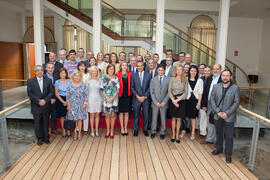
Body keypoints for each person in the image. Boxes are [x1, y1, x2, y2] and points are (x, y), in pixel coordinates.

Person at [210, 69, 240, 163]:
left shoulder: (235, 88)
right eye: (223, 75)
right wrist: (218, 112)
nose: (225, 77)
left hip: (229, 117)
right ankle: (219, 149)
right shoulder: (216, 87)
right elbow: (212, 100)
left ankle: (228, 154)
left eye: (227, 75)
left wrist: (226, 113)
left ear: (230, 77)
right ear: (221, 76)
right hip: (218, 116)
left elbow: (236, 102)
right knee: (218, 134)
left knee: (229, 137)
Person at [27, 65, 53, 146]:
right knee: (37, 124)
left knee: (45, 123)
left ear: (43, 71)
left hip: (46, 105)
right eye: (37, 70)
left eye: (41, 70)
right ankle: (39, 139)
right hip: (36, 106)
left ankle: (46, 138)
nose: (40, 71)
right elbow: (29, 93)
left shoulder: (48, 80)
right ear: (35, 72)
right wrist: (38, 101)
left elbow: (51, 92)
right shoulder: (30, 81)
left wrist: (45, 100)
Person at [201, 64, 222, 144]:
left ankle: (217, 141)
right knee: (209, 121)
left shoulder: (222, 79)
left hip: (218, 104)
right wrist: (205, 105)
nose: (215, 70)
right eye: (214, 69)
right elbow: (206, 92)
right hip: (209, 103)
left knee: (217, 122)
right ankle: (209, 138)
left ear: (220, 69)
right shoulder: (210, 78)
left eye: (217, 69)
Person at [131, 61, 152, 137]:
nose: (140, 67)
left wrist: (144, 96)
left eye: (141, 66)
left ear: (143, 66)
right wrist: (137, 96)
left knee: (146, 115)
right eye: (138, 66)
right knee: (136, 116)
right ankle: (136, 130)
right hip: (136, 99)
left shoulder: (148, 75)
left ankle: (145, 129)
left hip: (146, 99)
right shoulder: (133, 75)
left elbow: (150, 87)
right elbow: (132, 87)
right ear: (136, 67)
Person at [168, 65, 188, 143]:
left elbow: (186, 92)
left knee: (179, 119)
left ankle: (177, 135)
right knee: (173, 118)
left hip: (181, 101)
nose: (179, 71)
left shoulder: (185, 80)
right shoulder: (172, 79)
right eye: (177, 69)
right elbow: (169, 91)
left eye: (180, 69)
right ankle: (173, 135)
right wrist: (173, 100)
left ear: (182, 71)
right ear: (175, 71)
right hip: (173, 99)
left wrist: (178, 100)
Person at [66, 71, 88, 140]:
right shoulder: (69, 84)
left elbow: (86, 95)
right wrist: (68, 105)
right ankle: (75, 133)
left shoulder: (83, 84)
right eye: (75, 76)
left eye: (78, 76)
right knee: (74, 120)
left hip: (81, 104)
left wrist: (85, 103)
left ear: (81, 77)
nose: (77, 77)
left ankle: (80, 133)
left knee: (79, 120)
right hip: (72, 105)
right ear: (73, 77)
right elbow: (67, 96)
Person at [150, 65, 170, 139]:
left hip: (164, 103)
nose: (160, 71)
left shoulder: (168, 79)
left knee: (163, 118)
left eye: (162, 70)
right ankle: (153, 131)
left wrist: (165, 101)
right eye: (159, 70)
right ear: (157, 71)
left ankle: (163, 132)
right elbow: (151, 92)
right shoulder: (153, 80)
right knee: (154, 118)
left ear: (164, 70)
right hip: (155, 103)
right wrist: (156, 102)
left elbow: (169, 92)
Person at [101, 64, 120, 139]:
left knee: (113, 115)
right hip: (105, 99)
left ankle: (112, 131)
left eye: (112, 69)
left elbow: (118, 90)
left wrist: (112, 98)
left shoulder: (116, 78)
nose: (111, 70)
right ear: (107, 70)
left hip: (114, 99)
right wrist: (107, 98)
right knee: (107, 115)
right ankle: (107, 130)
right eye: (110, 69)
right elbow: (101, 89)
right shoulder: (103, 78)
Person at [186, 65, 203, 140]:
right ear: (189, 71)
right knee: (186, 117)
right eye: (192, 71)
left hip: (195, 101)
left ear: (197, 72)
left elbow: (200, 93)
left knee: (193, 118)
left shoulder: (200, 80)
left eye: (195, 71)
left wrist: (199, 103)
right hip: (187, 100)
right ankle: (184, 130)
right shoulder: (186, 79)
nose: (193, 72)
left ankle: (193, 132)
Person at [115, 62, 132, 136]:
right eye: (123, 65)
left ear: (127, 67)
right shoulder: (117, 75)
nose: (124, 66)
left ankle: (126, 127)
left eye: (125, 65)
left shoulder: (130, 74)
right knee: (121, 112)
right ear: (120, 66)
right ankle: (122, 128)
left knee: (127, 112)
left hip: (128, 95)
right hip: (120, 96)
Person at [54, 68, 71, 137]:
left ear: (66, 74)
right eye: (61, 73)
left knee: (68, 116)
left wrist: (67, 101)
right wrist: (63, 101)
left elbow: (71, 92)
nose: (63, 74)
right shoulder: (57, 82)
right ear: (59, 74)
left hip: (69, 99)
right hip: (60, 99)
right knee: (62, 116)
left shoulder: (69, 81)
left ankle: (68, 130)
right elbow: (56, 93)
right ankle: (64, 130)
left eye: (64, 73)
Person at [87, 66, 102, 137]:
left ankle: (96, 130)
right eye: (93, 71)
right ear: (90, 72)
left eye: (96, 71)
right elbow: (85, 92)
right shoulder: (87, 80)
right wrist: (85, 101)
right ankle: (92, 130)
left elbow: (101, 91)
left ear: (97, 72)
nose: (94, 72)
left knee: (97, 115)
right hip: (90, 99)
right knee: (92, 115)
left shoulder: (100, 80)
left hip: (98, 99)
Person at [198, 66, 212, 138]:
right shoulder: (201, 79)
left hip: (211, 103)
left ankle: (209, 133)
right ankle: (203, 132)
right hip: (202, 102)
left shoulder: (213, 79)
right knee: (202, 118)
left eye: (208, 71)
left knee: (210, 119)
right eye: (205, 71)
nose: (207, 72)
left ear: (210, 71)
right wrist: (203, 105)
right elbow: (200, 92)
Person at [45, 62, 58, 134]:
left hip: (54, 99)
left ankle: (53, 129)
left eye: (52, 68)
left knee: (54, 115)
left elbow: (57, 89)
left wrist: (54, 99)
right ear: (46, 68)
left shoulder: (56, 77)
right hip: (46, 100)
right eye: (49, 68)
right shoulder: (43, 77)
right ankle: (46, 130)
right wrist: (48, 99)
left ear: (54, 69)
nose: (50, 69)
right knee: (46, 116)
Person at [77, 61, 90, 134]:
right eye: (80, 66)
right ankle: (78, 128)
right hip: (77, 96)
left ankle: (85, 129)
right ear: (78, 67)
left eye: (83, 66)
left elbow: (88, 86)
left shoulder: (87, 75)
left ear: (85, 67)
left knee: (85, 112)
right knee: (78, 112)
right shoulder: (75, 74)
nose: (82, 67)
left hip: (85, 95)